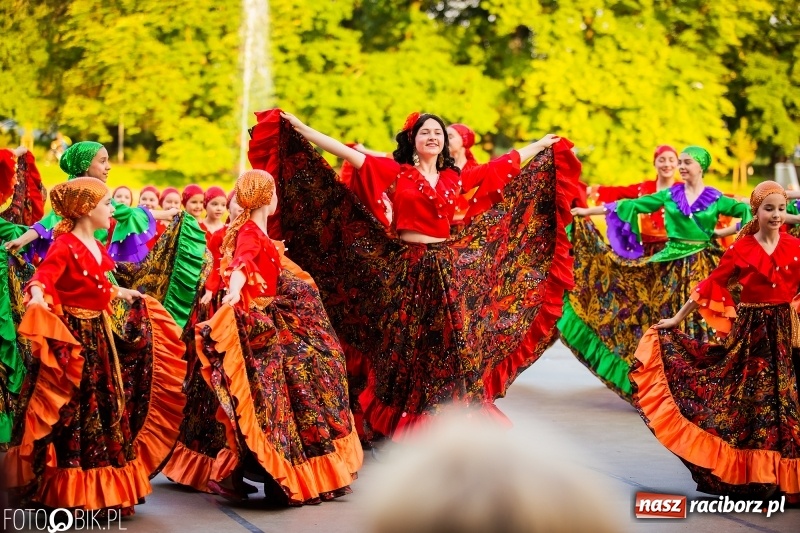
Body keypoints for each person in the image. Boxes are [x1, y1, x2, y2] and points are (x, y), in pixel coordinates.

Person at [248, 108, 580, 441]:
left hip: (445, 271)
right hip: (405, 268)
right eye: (425, 132)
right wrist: (302, 127)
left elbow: (503, 165)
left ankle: (449, 421)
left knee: (449, 347)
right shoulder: (397, 172)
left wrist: (539, 145)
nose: (432, 137)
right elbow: (344, 152)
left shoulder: (455, 177)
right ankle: (400, 421)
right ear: (413, 140)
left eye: (438, 132)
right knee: (403, 348)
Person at [2, 178, 186, 515]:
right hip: (76, 339)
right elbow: (42, 278)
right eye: (106, 204)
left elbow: (100, 284)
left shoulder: (95, 244)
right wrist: (38, 297)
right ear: (87, 209)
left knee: (103, 406)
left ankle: (102, 490)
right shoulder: (64, 245)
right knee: (77, 408)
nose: (112, 209)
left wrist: (124, 293)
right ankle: (70, 490)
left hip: (99, 336)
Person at [194, 169, 362, 504]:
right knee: (277, 399)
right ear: (265, 198)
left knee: (288, 396)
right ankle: (277, 474)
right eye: (273, 193)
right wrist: (234, 291)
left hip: (275, 319)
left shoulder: (258, 231)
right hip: (263, 327)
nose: (276, 199)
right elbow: (242, 263)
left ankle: (280, 474)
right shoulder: (249, 233)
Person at [630, 181, 800, 503]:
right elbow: (709, 285)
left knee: (785, 400)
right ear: (756, 212)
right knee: (753, 399)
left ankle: (785, 477)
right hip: (752, 334)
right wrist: (676, 319)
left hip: (783, 333)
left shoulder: (796, 247)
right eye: (769, 209)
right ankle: (755, 475)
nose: (777, 215)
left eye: (781, 208)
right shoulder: (741, 249)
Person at [566, 146, 752, 401]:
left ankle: (702, 386)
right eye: (680, 162)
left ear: (701, 166)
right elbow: (631, 205)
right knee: (665, 320)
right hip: (668, 268)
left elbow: (746, 212)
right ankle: (666, 385)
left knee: (702, 322)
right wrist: (587, 212)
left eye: (686, 162)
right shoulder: (670, 195)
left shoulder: (715, 197)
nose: (681, 167)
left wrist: (732, 237)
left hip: (703, 265)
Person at [3, 142, 177, 263]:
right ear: (86, 165)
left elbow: (128, 213)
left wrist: (166, 214)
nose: (109, 166)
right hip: (78, 263)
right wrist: (22, 240)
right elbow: (47, 223)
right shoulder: (72, 193)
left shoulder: (99, 192)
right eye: (103, 161)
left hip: (98, 259)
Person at [588, 145, 679, 255]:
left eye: (671, 160)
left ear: (678, 163)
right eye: (662, 160)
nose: (667, 164)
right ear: (654, 163)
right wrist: (585, 190)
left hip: (676, 251)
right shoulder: (645, 188)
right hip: (647, 252)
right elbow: (618, 192)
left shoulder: (685, 190)